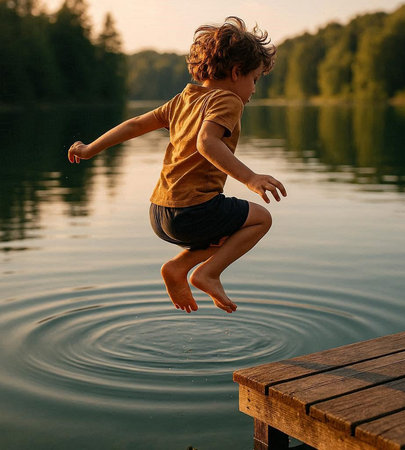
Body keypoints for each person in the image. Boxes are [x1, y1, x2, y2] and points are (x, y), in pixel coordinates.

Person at [68, 16, 287, 314]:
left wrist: (91, 148)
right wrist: (250, 178)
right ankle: (207, 273)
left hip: (160, 213)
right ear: (237, 72)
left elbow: (134, 125)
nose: (254, 90)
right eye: (255, 79)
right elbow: (207, 142)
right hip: (195, 210)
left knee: (227, 233)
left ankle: (178, 267)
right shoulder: (227, 100)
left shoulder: (182, 100)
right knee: (261, 219)